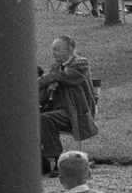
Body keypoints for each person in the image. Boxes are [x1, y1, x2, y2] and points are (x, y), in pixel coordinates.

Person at [37, 34, 98, 177]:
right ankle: (42, 161)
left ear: (69, 50)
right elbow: (50, 83)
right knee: (34, 119)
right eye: (53, 49)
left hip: (75, 111)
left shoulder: (81, 63)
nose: (53, 53)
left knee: (45, 119)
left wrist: (40, 81)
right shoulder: (56, 66)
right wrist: (49, 88)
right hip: (58, 110)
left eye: (57, 50)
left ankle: (56, 159)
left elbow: (64, 77)